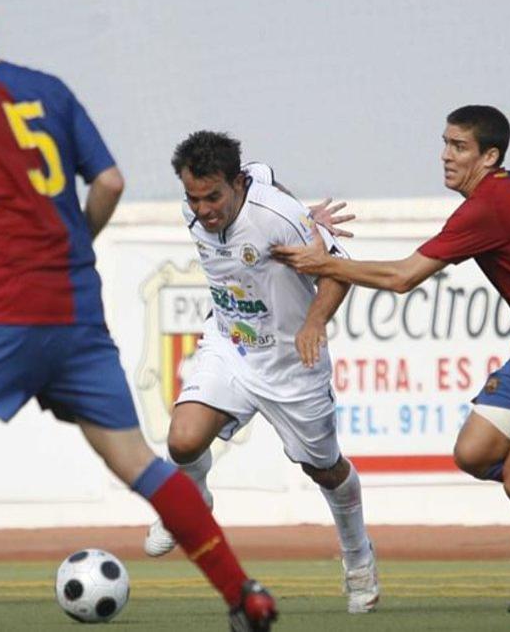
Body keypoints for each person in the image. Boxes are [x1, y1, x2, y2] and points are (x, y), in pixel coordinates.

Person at [0, 0, 276, 631]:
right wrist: (76, 242)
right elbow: (107, 180)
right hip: (74, 306)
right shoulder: (49, 89)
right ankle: (243, 593)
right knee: (138, 461)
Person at [272, 105, 510, 615]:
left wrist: (325, 264)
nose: (446, 156)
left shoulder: (488, 207)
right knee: (475, 454)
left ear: (490, 156)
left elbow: (403, 278)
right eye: (445, 143)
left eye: (459, 147)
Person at [142, 134, 378, 614]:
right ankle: (193, 499)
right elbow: (267, 174)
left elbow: (339, 269)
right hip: (230, 346)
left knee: (325, 470)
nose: (204, 209)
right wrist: (305, 211)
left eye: (214, 197)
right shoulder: (201, 207)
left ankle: (359, 560)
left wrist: (314, 318)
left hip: (293, 362)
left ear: (237, 183)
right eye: (194, 197)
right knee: (183, 440)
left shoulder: (276, 218)